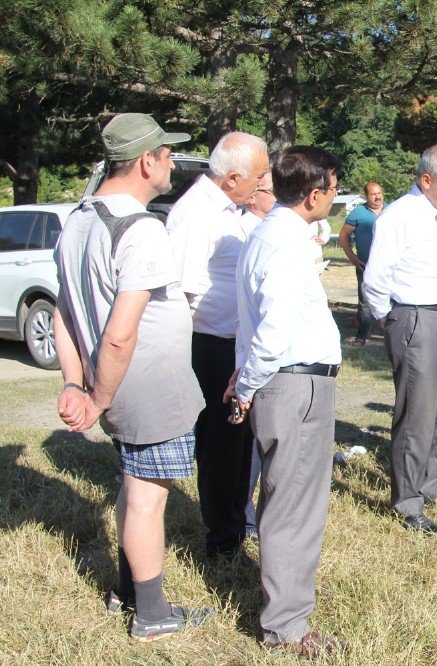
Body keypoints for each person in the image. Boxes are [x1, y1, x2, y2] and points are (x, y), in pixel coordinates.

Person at [53, 113, 211, 639]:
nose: (171, 164)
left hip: (117, 386)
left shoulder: (78, 219)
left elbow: (65, 312)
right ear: (147, 161)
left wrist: (76, 383)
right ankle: (151, 612)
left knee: (132, 487)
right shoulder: (141, 229)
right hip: (144, 387)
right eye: (167, 155)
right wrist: (95, 395)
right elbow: (120, 335)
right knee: (147, 497)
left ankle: (128, 590)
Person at [227, 146, 343, 658]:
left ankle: (285, 613)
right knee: (294, 505)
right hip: (295, 383)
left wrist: (245, 377)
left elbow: (249, 319)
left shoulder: (267, 234)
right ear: (314, 194)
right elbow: (271, 329)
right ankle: (286, 625)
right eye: (334, 189)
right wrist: (248, 385)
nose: (336, 198)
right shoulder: (286, 243)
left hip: (287, 380)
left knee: (283, 496)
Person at [165, 131, 269, 560]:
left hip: (234, 343)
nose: (263, 183)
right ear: (232, 178)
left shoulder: (229, 209)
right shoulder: (195, 214)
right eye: (258, 176)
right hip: (210, 344)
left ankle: (236, 520)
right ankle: (222, 537)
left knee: (239, 441)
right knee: (220, 443)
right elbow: (182, 292)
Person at [362, 145, 437, 535]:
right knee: (416, 413)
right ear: (426, 180)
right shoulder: (399, 216)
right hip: (414, 317)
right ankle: (407, 501)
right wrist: (389, 320)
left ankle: (430, 483)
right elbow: (376, 278)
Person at [239, 171, 276, 540]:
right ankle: (246, 517)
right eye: (269, 192)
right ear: (253, 197)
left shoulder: (267, 231)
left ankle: (248, 515)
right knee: (249, 446)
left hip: (252, 351)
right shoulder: (256, 234)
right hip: (253, 353)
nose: (275, 196)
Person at [339, 181, 384, 345]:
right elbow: (343, 237)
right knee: (365, 301)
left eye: (379, 193)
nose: (377, 197)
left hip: (390, 266)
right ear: (366, 196)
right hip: (366, 265)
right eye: (373, 194)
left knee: (394, 298)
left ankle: (392, 333)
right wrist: (353, 258)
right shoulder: (357, 213)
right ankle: (363, 335)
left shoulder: (391, 210)